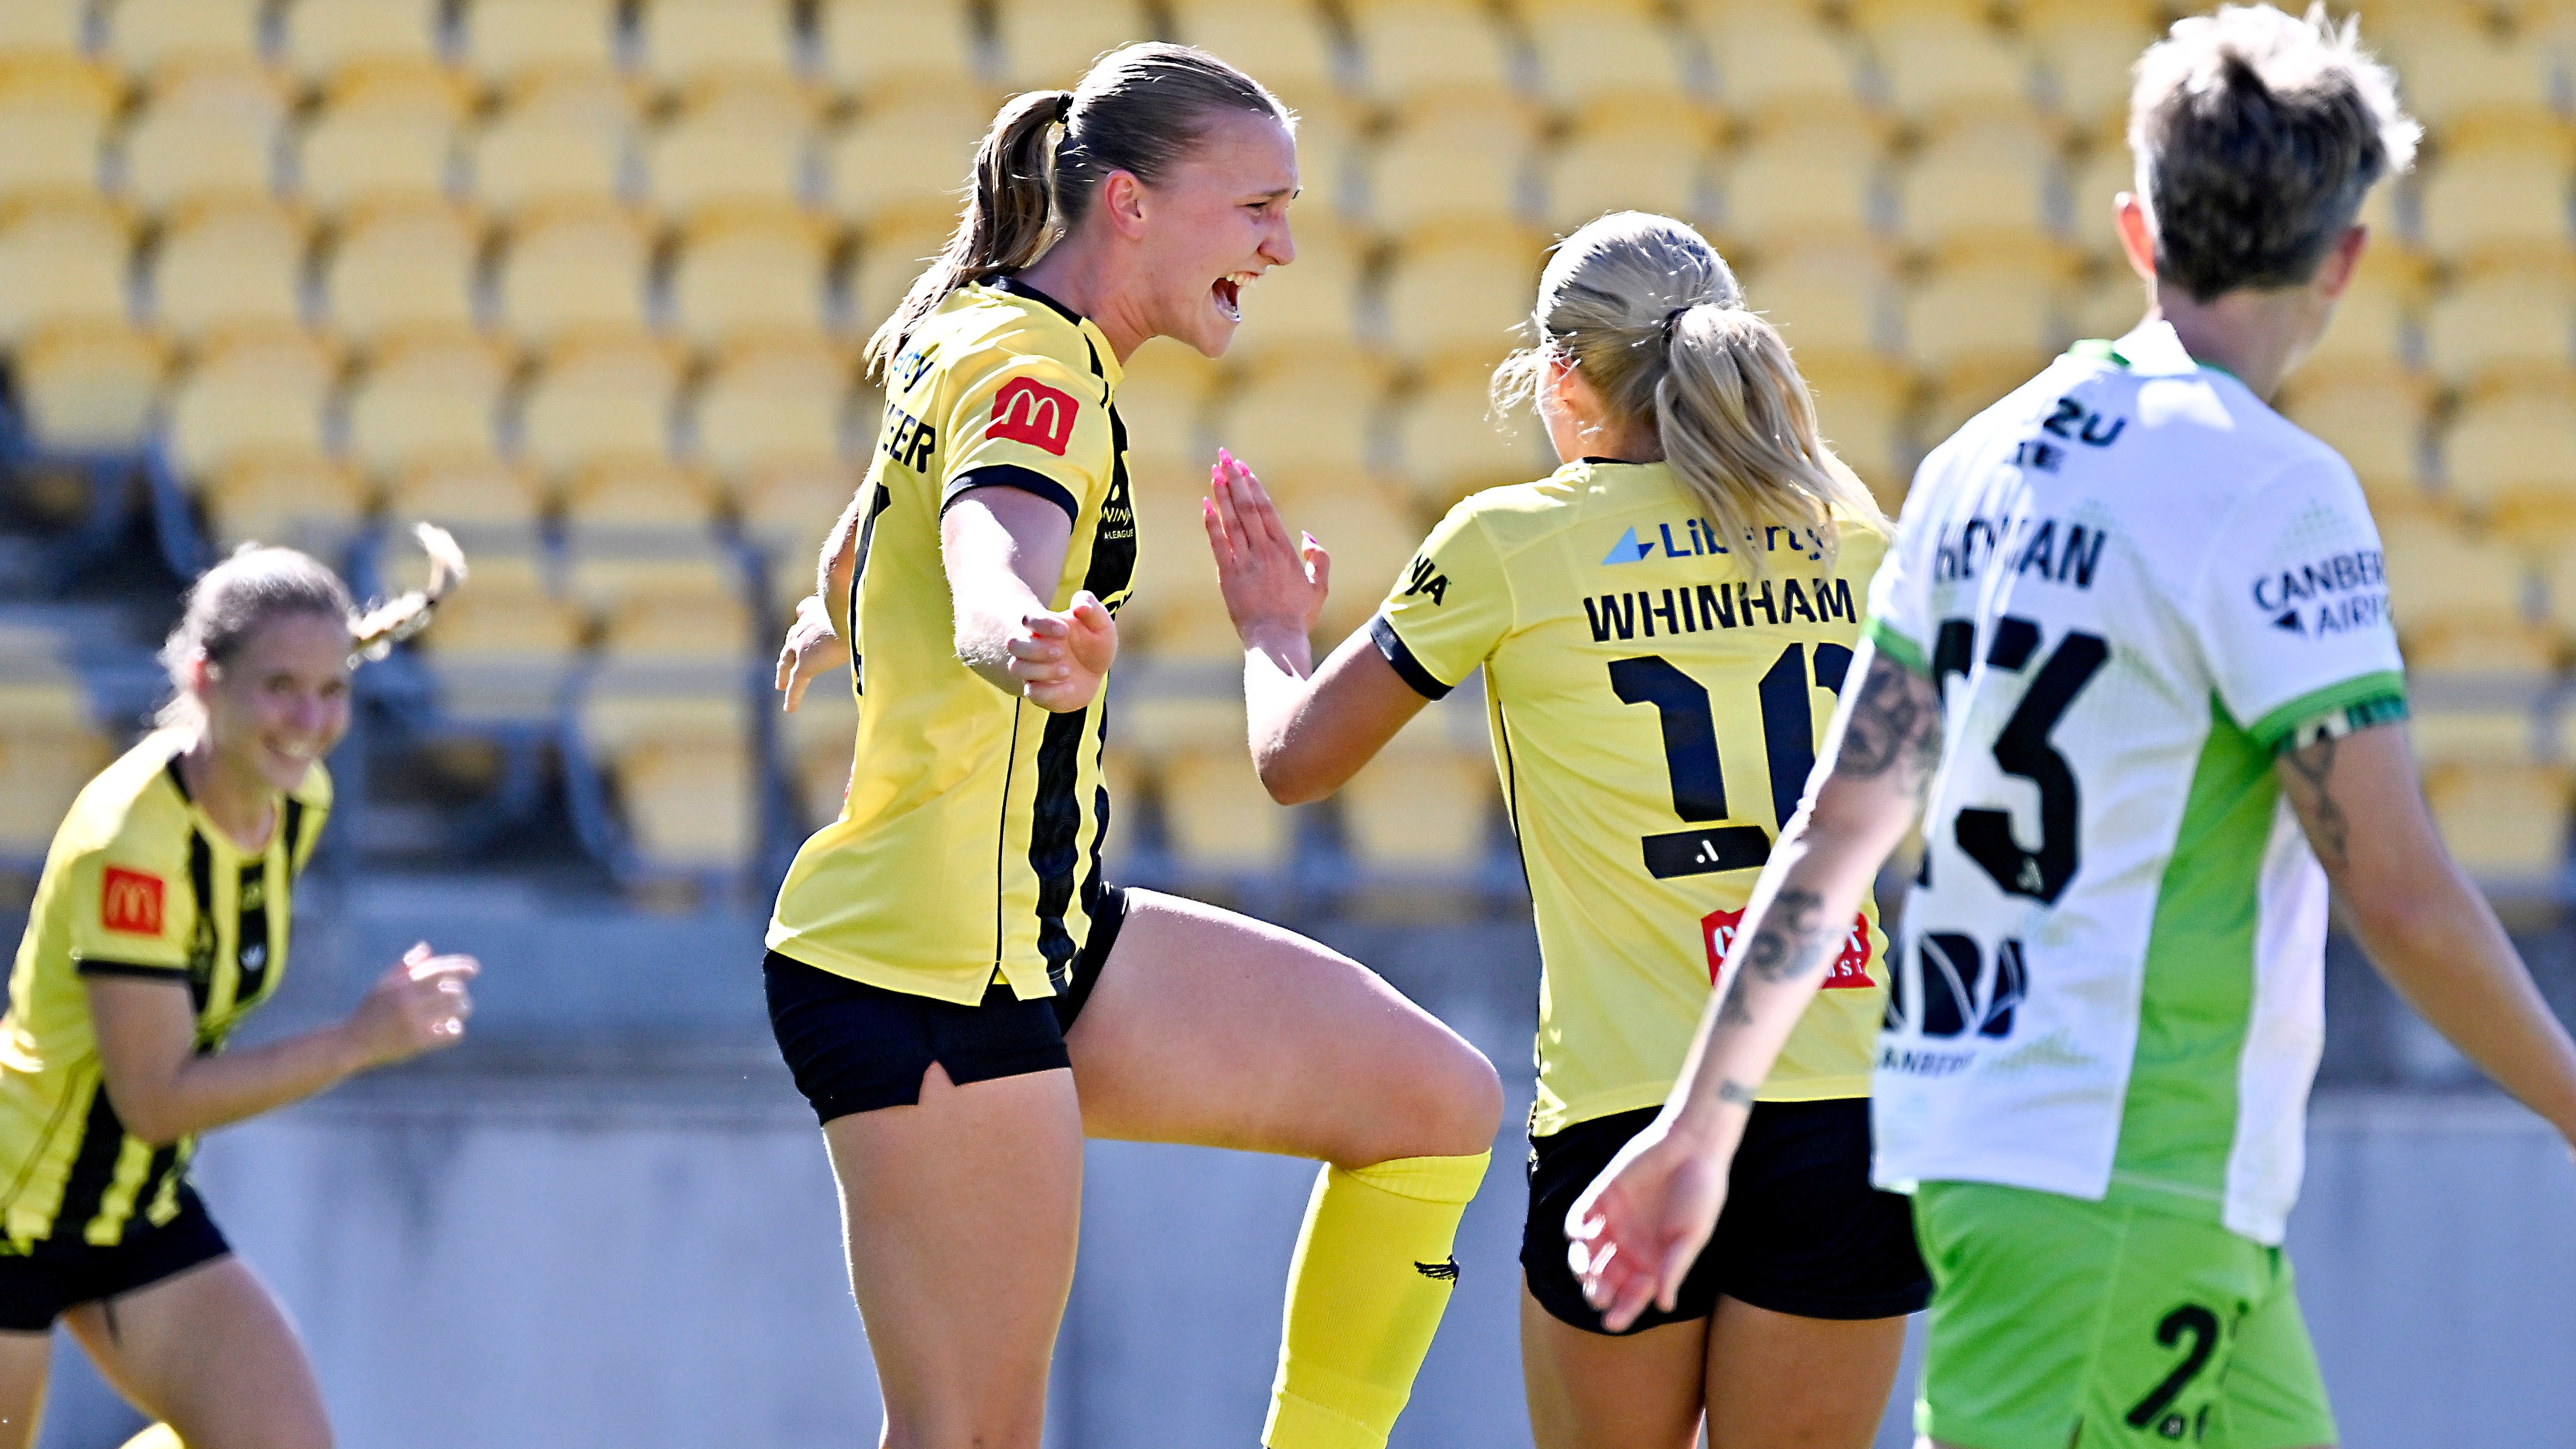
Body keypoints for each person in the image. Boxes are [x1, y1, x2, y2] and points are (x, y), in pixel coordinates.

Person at [1567, 8, 2576, 1448]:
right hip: (2113, 1176)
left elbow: (1840, 828)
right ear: (2345, 257)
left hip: (2082, 1168)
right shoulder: (2275, 490)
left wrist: (1701, 1121)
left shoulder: (1979, 462)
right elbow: (2398, 883)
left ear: (2135, 228)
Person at [767, 43, 1502, 1449]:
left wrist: (840, 608)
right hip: (929, 965)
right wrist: (1009, 629)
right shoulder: (1035, 372)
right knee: (974, 1435)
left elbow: (882, 522)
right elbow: (990, 536)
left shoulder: (979, 323)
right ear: (1132, 205)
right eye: (1257, 208)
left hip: (1041, 935)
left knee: (1436, 1102)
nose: (1284, 243)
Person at [1200, 210, 1927, 1449]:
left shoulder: (1508, 542)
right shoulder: (1857, 540)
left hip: (1624, 1105)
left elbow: (1293, 765)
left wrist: (1274, 632)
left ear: (1559, 376)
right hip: (1844, 1101)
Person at [0, 534, 479, 1449]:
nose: (310, 717)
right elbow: (153, 1098)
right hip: (10, 1208)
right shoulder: (131, 846)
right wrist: (356, 1042)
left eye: (332, 689)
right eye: (280, 686)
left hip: (133, 1209)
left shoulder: (300, 804)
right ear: (203, 676)